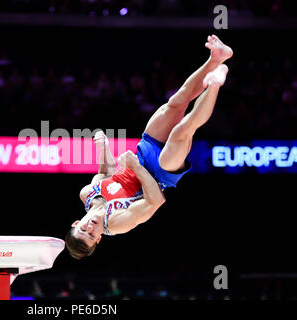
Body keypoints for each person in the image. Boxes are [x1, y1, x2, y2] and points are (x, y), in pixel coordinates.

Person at [65, 35, 233, 259]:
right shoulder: (116, 224)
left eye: (83, 229)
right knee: (182, 130)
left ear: (77, 222)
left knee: (176, 102)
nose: (90, 228)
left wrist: (103, 148)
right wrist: (136, 167)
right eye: (91, 234)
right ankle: (214, 85)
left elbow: (105, 173)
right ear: (98, 239)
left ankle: (216, 58)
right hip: (160, 172)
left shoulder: (87, 194)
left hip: (144, 152)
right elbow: (156, 201)